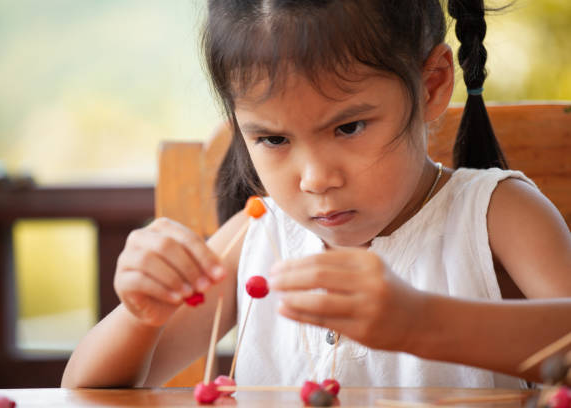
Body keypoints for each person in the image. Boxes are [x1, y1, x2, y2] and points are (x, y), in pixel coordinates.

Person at [61, 0, 571, 389]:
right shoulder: (256, 238)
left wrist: (422, 323)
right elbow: (85, 390)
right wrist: (141, 315)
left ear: (432, 85)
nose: (315, 179)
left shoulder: (495, 215)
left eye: (349, 127)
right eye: (273, 139)